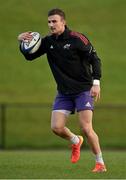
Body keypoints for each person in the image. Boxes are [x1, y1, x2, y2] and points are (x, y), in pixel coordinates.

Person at [18, 8, 107, 172]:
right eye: (49, 22)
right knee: (56, 128)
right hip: (64, 92)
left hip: (83, 89)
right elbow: (29, 56)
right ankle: (75, 141)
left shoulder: (77, 39)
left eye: (54, 21)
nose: (51, 25)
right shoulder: (48, 42)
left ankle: (100, 163)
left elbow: (94, 59)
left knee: (86, 128)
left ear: (63, 22)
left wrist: (96, 82)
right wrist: (22, 41)